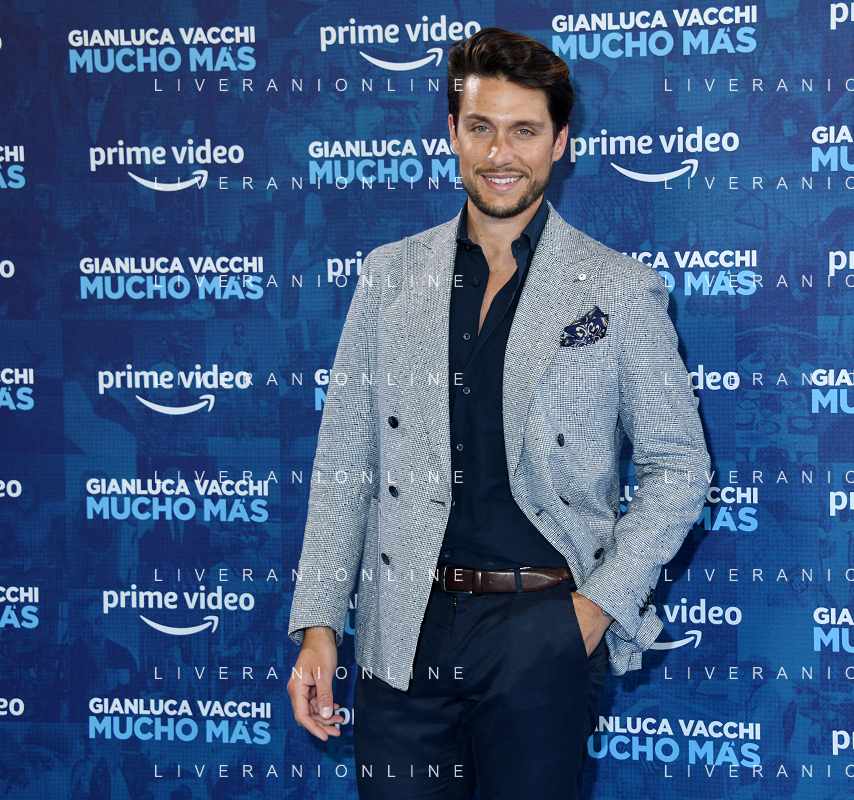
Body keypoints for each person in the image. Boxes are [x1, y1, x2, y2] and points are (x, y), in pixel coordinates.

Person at [285, 28, 711, 800]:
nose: (499, 153)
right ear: (452, 132)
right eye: (480, 127)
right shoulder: (388, 278)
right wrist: (318, 624)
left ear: (560, 142)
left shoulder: (618, 289)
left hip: (541, 625)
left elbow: (678, 467)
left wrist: (593, 610)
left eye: (524, 130)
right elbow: (345, 461)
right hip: (403, 630)